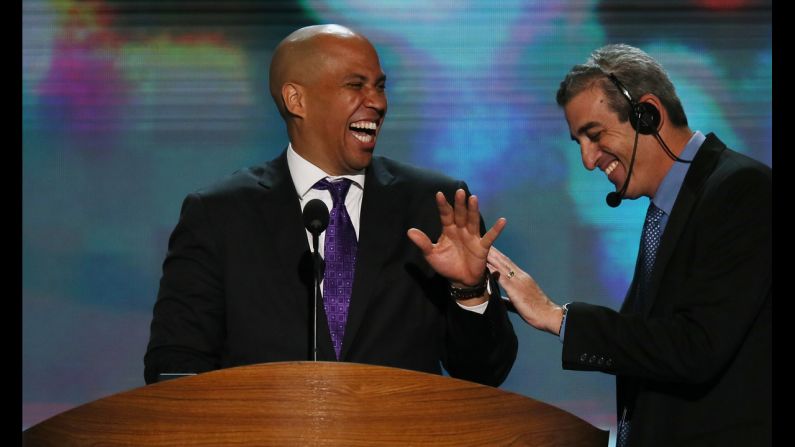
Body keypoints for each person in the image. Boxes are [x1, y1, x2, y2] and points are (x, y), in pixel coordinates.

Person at [143, 24, 517, 387]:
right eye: (356, 85)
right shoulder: (218, 215)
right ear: (296, 100)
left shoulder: (435, 207)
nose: (378, 102)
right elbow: (175, 365)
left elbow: (484, 373)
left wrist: (470, 291)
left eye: (380, 86)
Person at [484, 44, 771, 446]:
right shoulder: (670, 208)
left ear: (647, 113)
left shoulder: (741, 190)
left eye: (594, 135)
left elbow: (696, 348)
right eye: (578, 142)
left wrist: (557, 317)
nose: (587, 159)